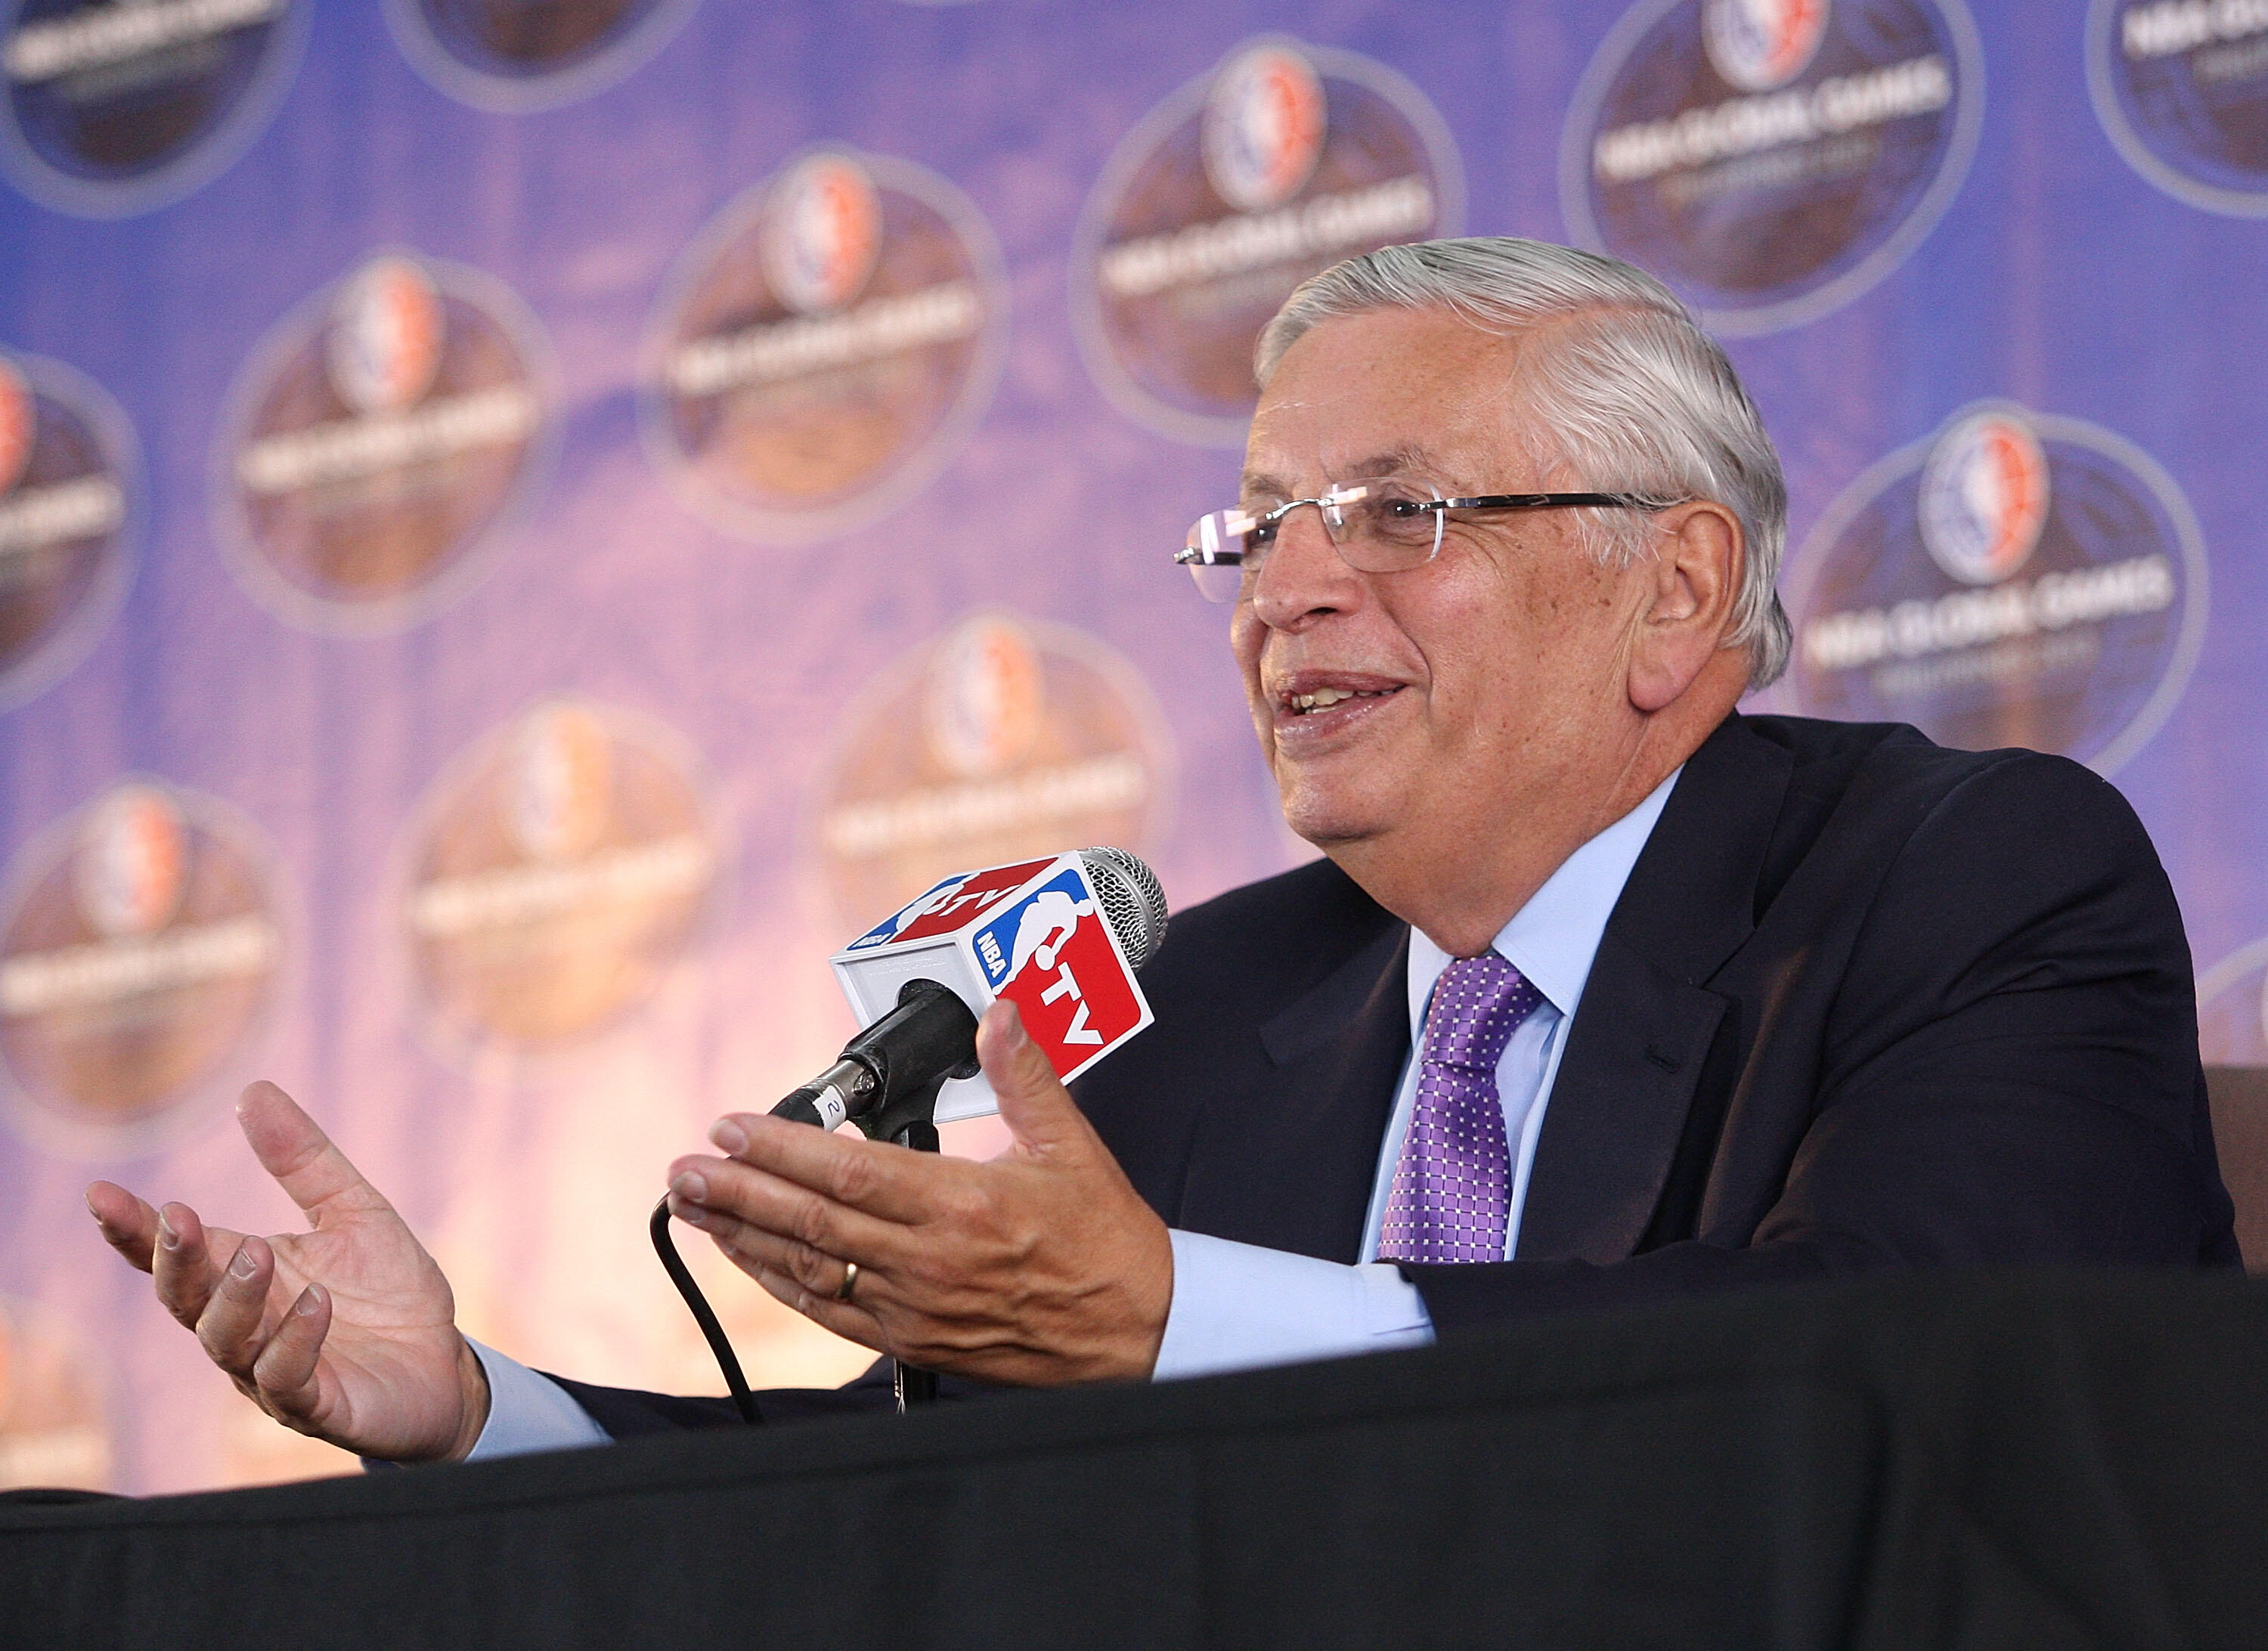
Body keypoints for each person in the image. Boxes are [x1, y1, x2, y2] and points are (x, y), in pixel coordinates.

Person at [84, 237, 2238, 1463]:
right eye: (1258, 530)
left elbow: (1952, 1357)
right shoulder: (1207, 1005)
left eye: (1399, 514)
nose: (1282, 598)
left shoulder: (1968, 872)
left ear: (1678, 589)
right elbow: (901, 1476)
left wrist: (1171, 1315)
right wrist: (482, 1408)